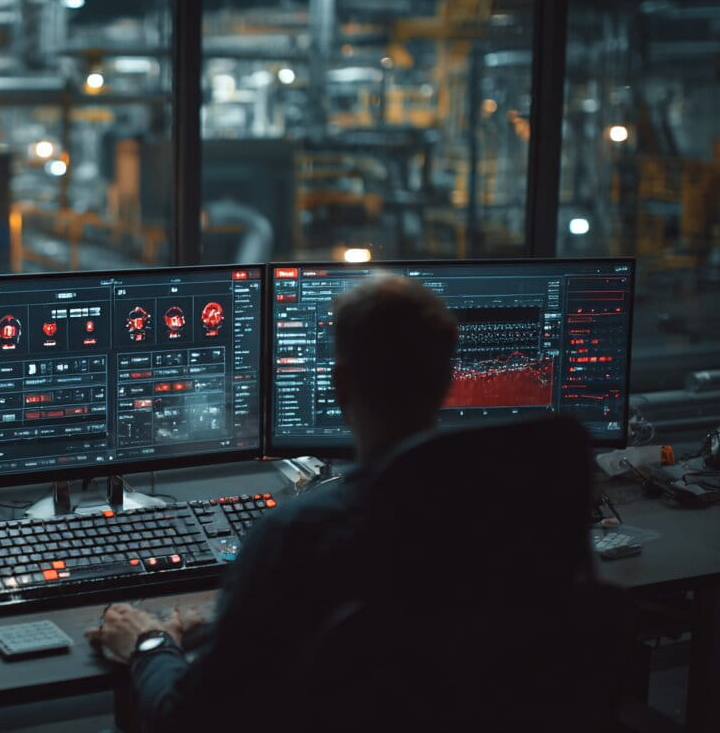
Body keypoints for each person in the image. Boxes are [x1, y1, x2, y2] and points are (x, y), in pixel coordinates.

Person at [86, 273, 460, 730]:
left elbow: (184, 719)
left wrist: (149, 641)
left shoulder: (298, 536)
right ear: (447, 382)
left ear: (341, 384)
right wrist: (238, 615)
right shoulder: (501, 518)